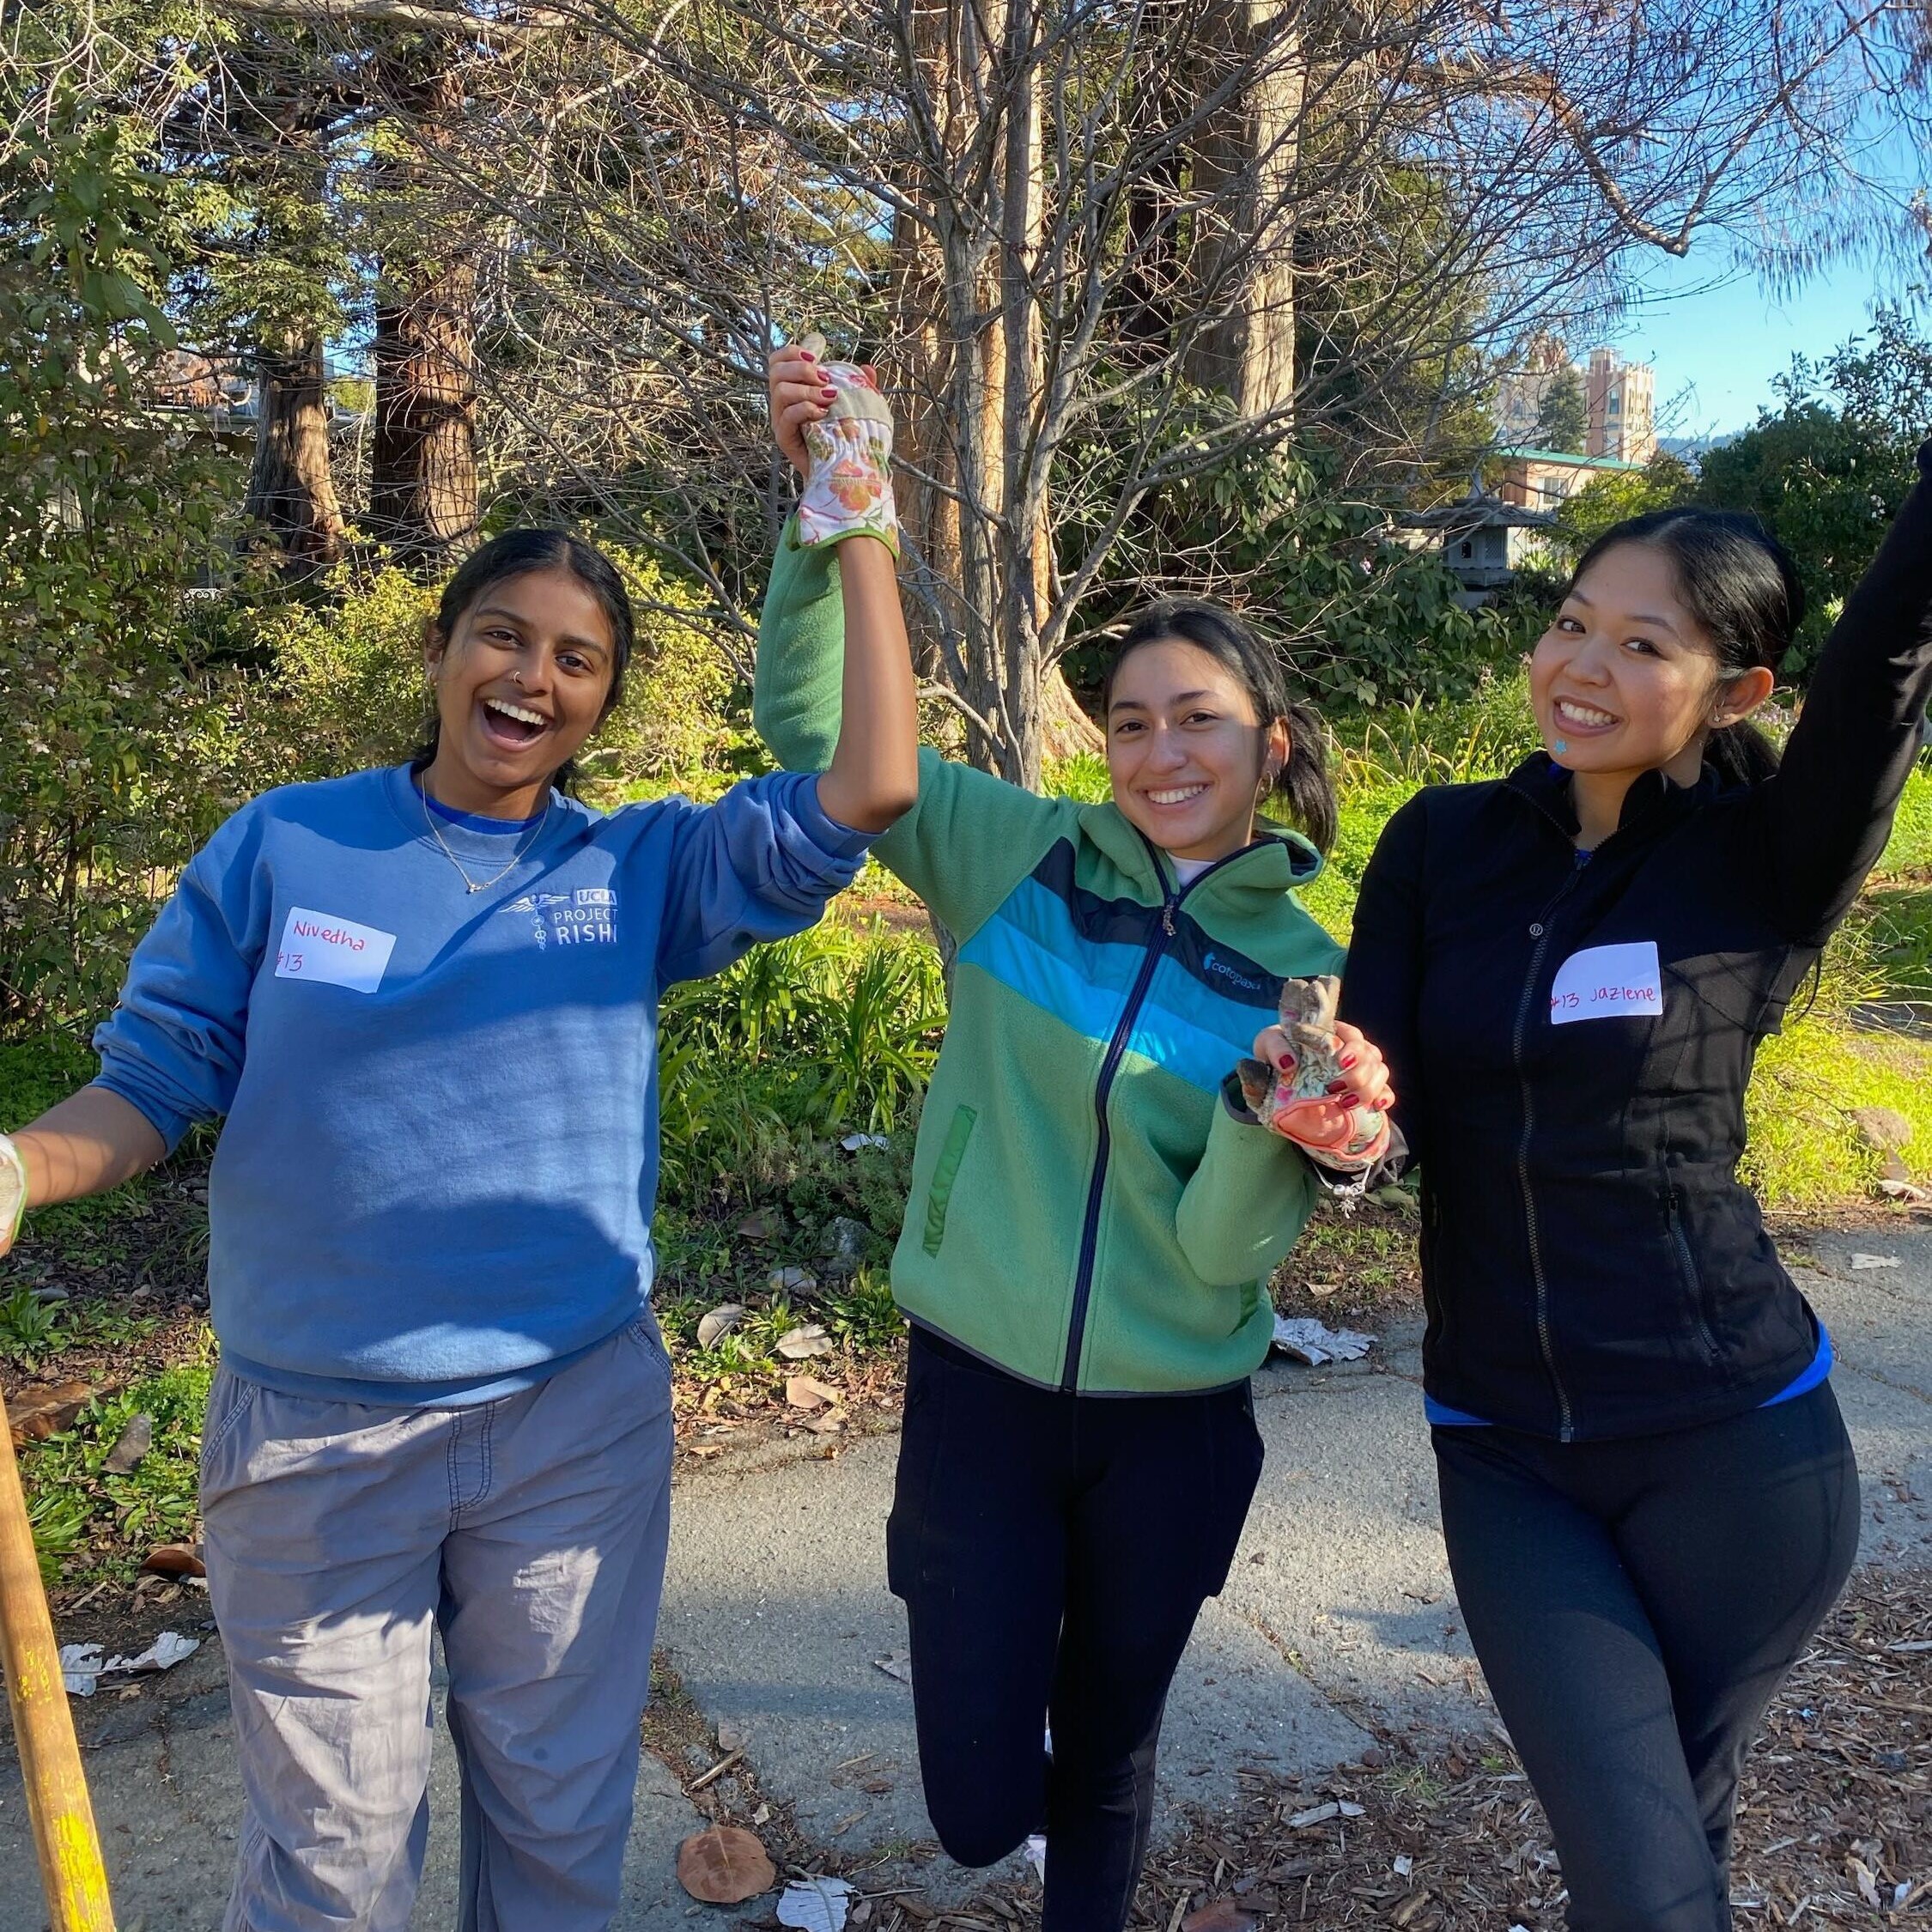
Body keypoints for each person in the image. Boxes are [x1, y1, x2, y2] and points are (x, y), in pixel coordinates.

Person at [0, 517, 917, 1931]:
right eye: (503, 634)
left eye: (578, 658)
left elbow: (871, 784)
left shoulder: (636, 871)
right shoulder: (286, 842)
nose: (531, 677)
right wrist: (20, 1168)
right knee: (335, 1873)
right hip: (317, 1442)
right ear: (440, 648)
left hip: (569, 1428)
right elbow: (152, 1077)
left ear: (603, 699)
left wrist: (856, 525)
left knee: (558, 1838)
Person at [757, 342, 1396, 1930]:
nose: (1160, 752)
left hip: (1172, 1421)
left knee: (1107, 1754)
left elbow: (1221, 1250)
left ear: (1269, 739)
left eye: (1197, 719)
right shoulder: (1013, 857)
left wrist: (1290, 1126)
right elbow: (812, 732)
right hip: (978, 1388)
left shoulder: (1301, 964)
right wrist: (833, 521)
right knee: (979, 1805)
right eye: (1127, 721)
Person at [1339, 440, 1932, 1930]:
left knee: (1667, 1849)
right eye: (1569, 620)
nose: (1579, 663)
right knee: (1641, 1864)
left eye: (1641, 640)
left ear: (1737, 692)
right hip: (1506, 1447)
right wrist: (1335, 1114)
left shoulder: (1766, 860)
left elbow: (1881, 661)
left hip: (1735, 1447)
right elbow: (1374, 1085)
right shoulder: (1437, 843)